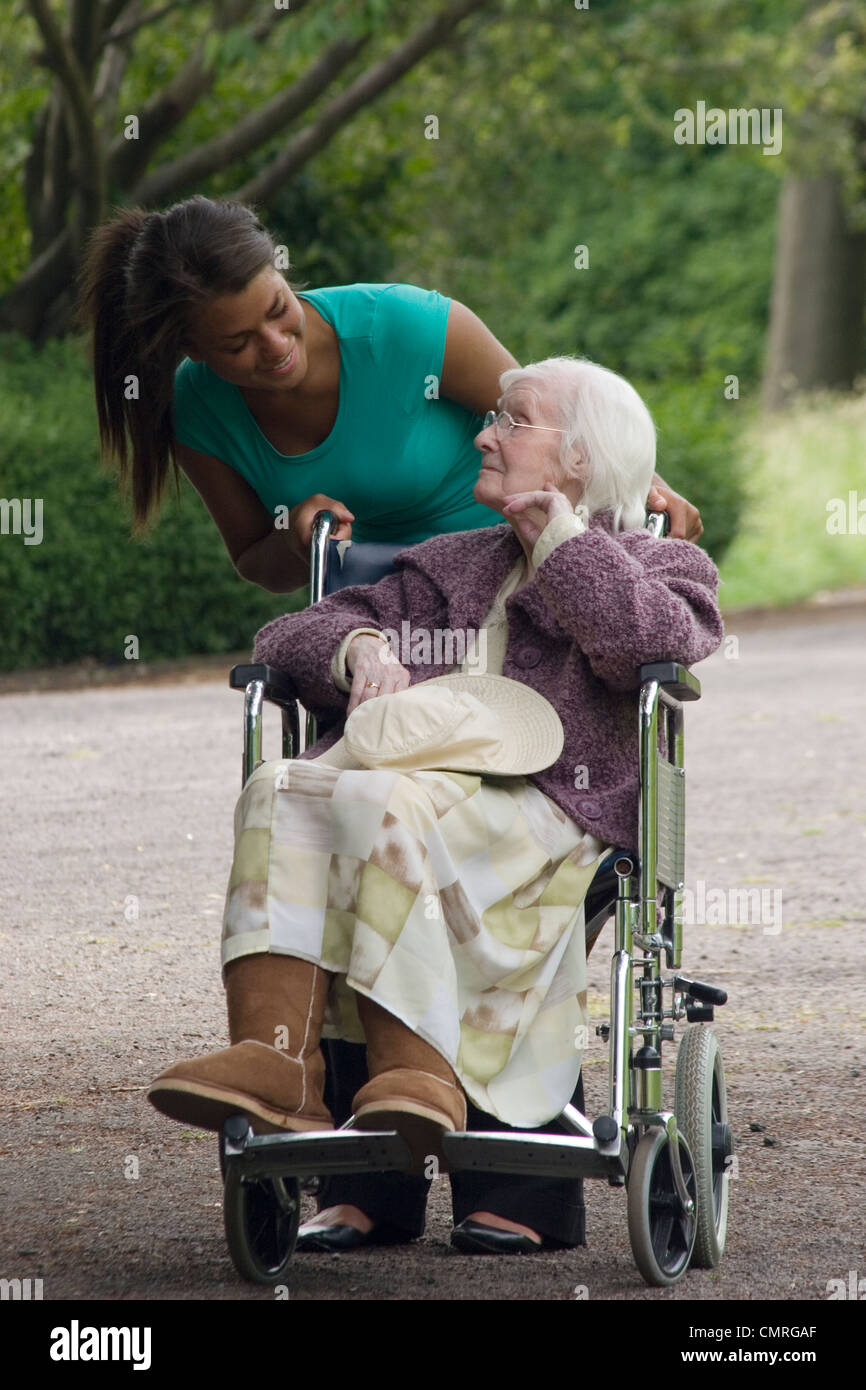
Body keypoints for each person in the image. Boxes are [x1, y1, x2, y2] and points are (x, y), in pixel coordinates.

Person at [77, 195, 704, 1254]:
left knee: (380, 796)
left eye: (507, 424)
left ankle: (458, 1120)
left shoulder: (650, 562)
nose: (484, 430)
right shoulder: (441, 565)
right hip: (415, 774)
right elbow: (289, 627)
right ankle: (282, 1066)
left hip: (545, 794)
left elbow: (641, 637)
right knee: (290, 786)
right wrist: (356, 648)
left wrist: (570, 526)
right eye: (238, 339)